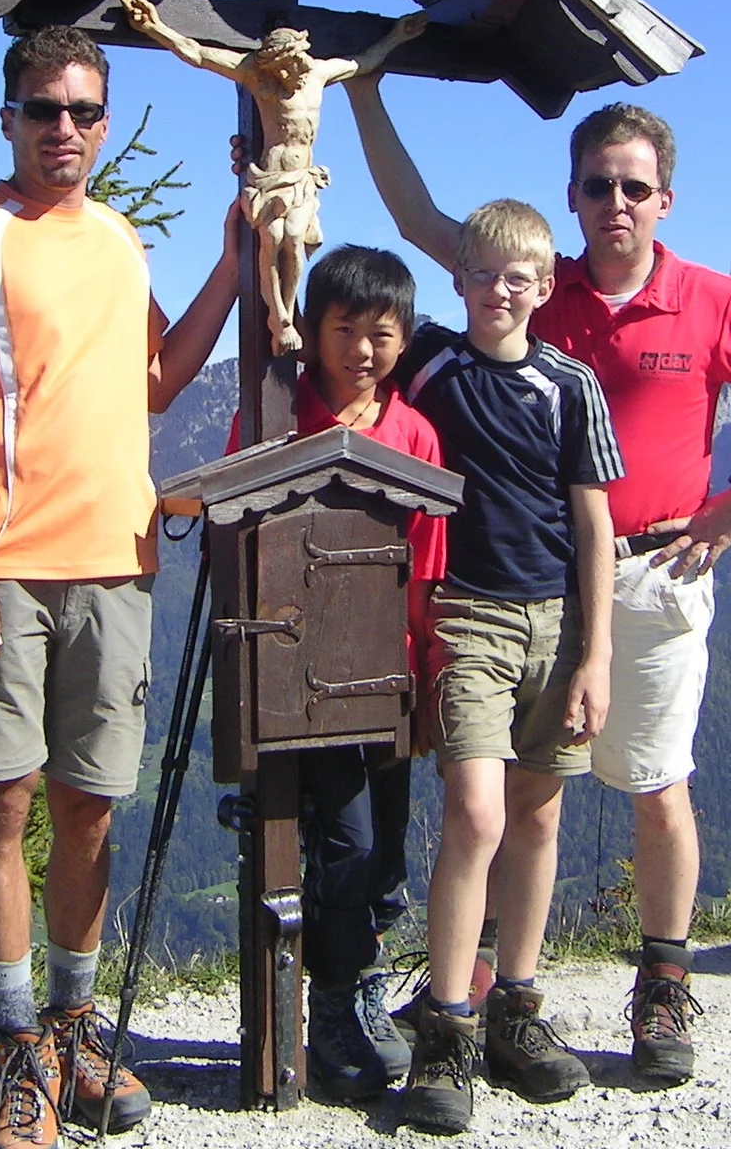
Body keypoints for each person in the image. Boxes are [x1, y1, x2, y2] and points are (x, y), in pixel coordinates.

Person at [344, 81, 731, 1087]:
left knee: (655, 786)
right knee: (520, 798)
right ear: (571, 197)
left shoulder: (714, 301)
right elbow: (414, 220)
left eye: (636, 185)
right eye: (598, 185)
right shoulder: (532, 283)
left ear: (666, 198)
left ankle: (661, 984)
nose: (616, 201)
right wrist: (362, 91)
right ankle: (483, 985)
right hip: (523, 582)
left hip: (657, 569)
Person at [0, 25, 237, 1149]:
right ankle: (14, 1049)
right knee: (4, 802)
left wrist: (234, 258)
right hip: (2, 562)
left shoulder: (119, 238)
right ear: (9, 118)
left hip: (116, 561)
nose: (67, 132)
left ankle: (76, 1031)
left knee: (89, 807)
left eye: (87, 113)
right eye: (46, 111)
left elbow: (155, 380)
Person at [389, 198, 622, 1134]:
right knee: (475, 811)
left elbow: (594, 524)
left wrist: (595, 655)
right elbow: (349, 368)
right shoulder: (432, 365)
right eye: (482, 274)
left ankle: (517, 1010)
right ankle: (447, 1028)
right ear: (459, 280)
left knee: (536, 814)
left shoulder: (571, 385)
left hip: (557, 624)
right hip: (469, 616)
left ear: (545, 286)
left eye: (518, 277)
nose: (498, 291)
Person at [222, 245, 447, 1100]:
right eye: (343, 329)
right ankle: (337, 1011)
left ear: (403, 338)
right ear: (311, 331)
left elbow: (427, 564)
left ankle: (359, 989)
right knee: (346, 841)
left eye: (380, 333)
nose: (360, 348)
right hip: (298, 674)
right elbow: (240, 526)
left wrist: (424, 684)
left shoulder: (413, 431)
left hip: (383, 676)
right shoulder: (278, 411)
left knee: (382, 847)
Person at [122, 0, 424, 352]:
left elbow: (363, 61)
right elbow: (199, 53)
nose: (280, 75)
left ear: (297, 57)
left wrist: (397, 36)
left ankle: (287, 313)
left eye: (285, 67)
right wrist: (155, 27)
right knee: (272, 239)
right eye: (274, 69)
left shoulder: (320, 74)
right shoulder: (259, 77)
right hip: (268, 180)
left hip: (301, 182)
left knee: (294, 239)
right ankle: (278, 316)